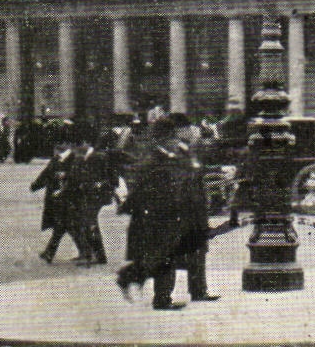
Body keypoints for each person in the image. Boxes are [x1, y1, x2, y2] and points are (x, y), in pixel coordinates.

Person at [116, 116, 218, 309]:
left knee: (194, 250)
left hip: (190, 210)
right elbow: (145, 183)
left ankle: (197, 291)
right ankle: (160, 297)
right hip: (168, 212)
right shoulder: (157, 155)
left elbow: (195, 172)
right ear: (174, 132)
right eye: (187, 128)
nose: (190, 132)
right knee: (167, 254)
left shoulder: (182, 150)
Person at [70, 131, 118, 264]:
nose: (77, 147)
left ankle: (90, 255)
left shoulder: (100, 157)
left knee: (88, 222)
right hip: (87, 195)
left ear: (87, 143)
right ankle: (98, 255)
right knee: (89, 223)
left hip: (98, 195)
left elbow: (113, 178)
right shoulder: (81, 157)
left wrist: (100, 184)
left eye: (79, 144)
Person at [33, 140, 81, 263]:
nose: (59, 146)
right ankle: (85, 251)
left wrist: (65, 176)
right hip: (56, 197)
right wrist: (36, 185)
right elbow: (46, 173)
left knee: (63, 225)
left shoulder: (74, 159)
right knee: (66, 226)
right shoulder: (56, 158)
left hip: (68, 197)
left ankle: (49, 253)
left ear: (69, 145)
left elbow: (77, 176)